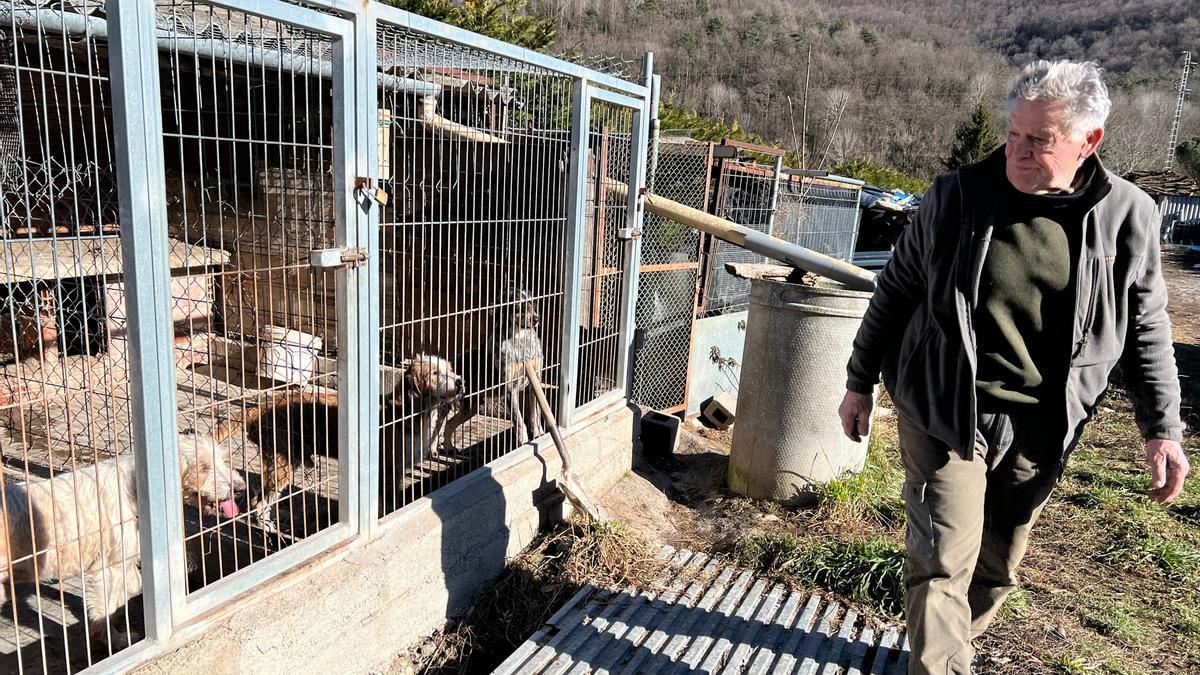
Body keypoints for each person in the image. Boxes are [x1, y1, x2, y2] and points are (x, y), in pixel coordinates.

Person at [837, 60, 1190, 675]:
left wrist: (1163, 429)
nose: (1017, 151)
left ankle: (950, 642)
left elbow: (1148, 327)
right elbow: (894, 290)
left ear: (1089, 141)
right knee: (943, 555)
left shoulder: (1128, 216)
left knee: (998, 564)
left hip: (1044, 423)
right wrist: (857, 382)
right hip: (947, 408)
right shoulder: (956, 197)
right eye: (1013, 133)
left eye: (1040, 140)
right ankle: (940, 664)